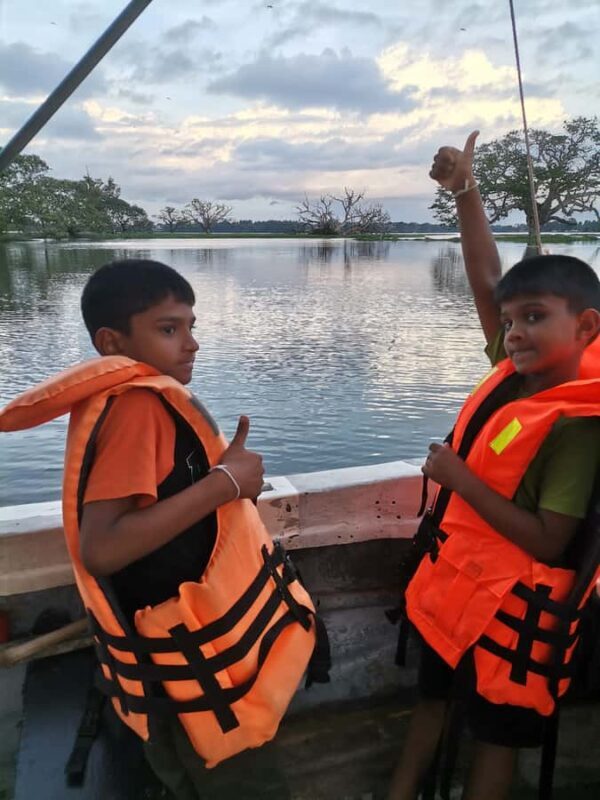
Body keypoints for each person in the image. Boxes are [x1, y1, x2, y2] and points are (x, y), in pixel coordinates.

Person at [0, 258, 327, 800]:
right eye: (169, 329)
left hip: (182, 665)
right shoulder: (138, 410)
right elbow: (102, 548)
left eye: (191, 326)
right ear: (111, 341)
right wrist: (224, 482)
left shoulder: (142, 400)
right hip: (188, 674)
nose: (191, 343)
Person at [388, 133, 600, 800]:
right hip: (455, 587)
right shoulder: (513, 373)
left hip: (515, 612)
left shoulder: (578, 427)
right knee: (430, 704)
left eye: (535, 318)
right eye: (510, 323)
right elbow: (486, 281)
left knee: (494, 742)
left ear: (588, 329)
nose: (514, 333)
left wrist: (459, 479)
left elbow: (549, 539)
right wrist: (466, 193)